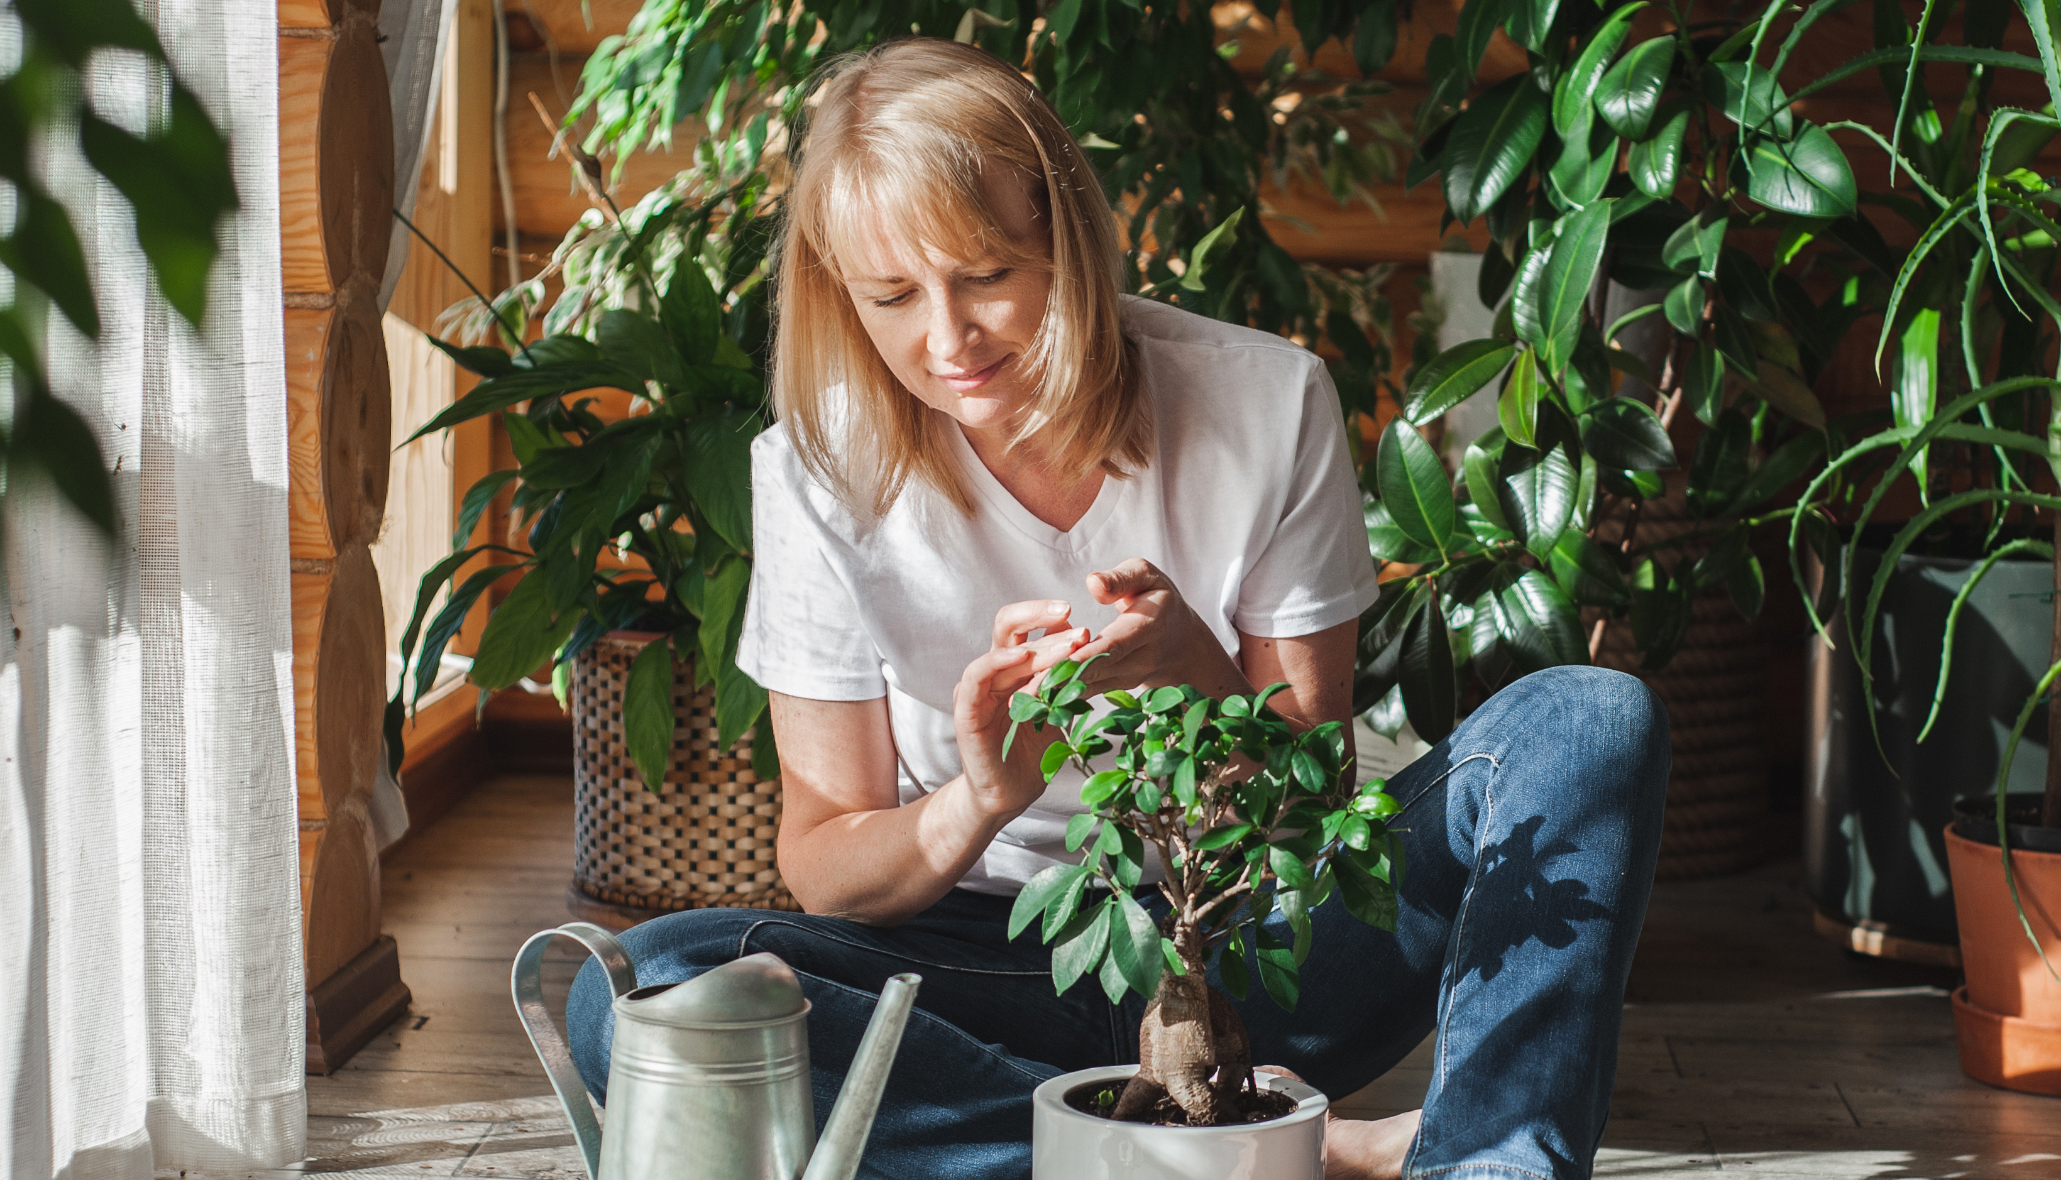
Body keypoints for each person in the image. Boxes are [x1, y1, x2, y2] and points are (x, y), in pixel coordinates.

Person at [566, 36, 1670, 1180]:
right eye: (892, 295)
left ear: (1066, 234)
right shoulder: (813, 469)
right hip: (974, 979)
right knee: (644, 992)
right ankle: (1280, 1149)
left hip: (1250, 951)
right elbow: (825, 860)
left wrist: (1198, 671)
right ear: (839, 291)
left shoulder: (1264, 400)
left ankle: (1479, 1165)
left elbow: (1310, 811)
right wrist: (978, 796)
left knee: (1590, 718)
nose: (947, 341)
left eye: (986, 274)